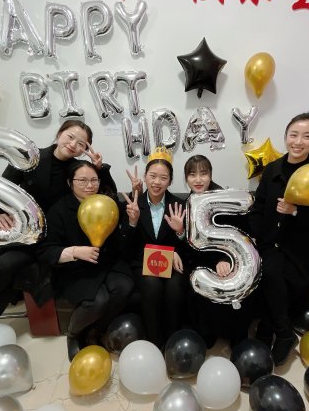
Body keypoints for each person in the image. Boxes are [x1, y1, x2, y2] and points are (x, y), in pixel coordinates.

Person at [0, 119, 117, 380]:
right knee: (6, 266)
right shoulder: (29, 158)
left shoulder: (77, 169)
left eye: (81, 143)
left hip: (53, 239)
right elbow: (0, 188)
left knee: (12, 278)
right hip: (26, 235)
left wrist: (101, 168)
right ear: (59, 134)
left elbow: (105, 192)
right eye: (70, 136)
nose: (73, 145)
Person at [249, 112, 309, 366]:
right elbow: (259, 207)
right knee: (270, 274)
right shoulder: (272, 169)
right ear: (286, 136)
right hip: (270, 243)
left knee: (276, 278)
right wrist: (254, 237)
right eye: (294, 135)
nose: (298, 142)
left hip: (302, 250)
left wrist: (296, 211)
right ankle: (280, 333)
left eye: (307, 136)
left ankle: (274, 332)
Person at [36, 161, 134, 360]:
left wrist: (131, 222)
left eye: (94, 180)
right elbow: (45, 251)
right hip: (75, 268)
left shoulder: (107, 203)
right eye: (82, 180)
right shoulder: (59, 210)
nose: (90, 185)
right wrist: (74, 251)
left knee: (124, 287)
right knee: (97, 301)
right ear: (70, 182)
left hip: (106, 263)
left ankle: (96, 330)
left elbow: (119, 241)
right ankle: (73, 334)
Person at [182, 155, 253, 348]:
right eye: (192, 174)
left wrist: (226, 259)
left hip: (231, 258)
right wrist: (180, 232)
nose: (198, 179)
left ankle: (236, 335)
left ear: (211, 175)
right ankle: (206, 333)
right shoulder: (188, 203)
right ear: (186, 178)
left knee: (234, 284)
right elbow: (189, 246)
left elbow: (243, 234)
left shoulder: (224, 199)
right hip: (200, 260)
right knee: (197, 282)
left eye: (203, 174)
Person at [124, 148, 188, 349]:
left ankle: (173, 340)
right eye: (152, 176)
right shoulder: (133, 204)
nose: (157, 182)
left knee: (175, 286)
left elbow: (188, 247)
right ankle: (154, 341)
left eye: (163, 178)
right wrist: (132, 222)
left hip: (172, 264)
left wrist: (180, 232)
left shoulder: (179, 205)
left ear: (170, 181)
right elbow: (126, 247)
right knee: (151, 284)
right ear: (145, 177)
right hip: (143, 263)